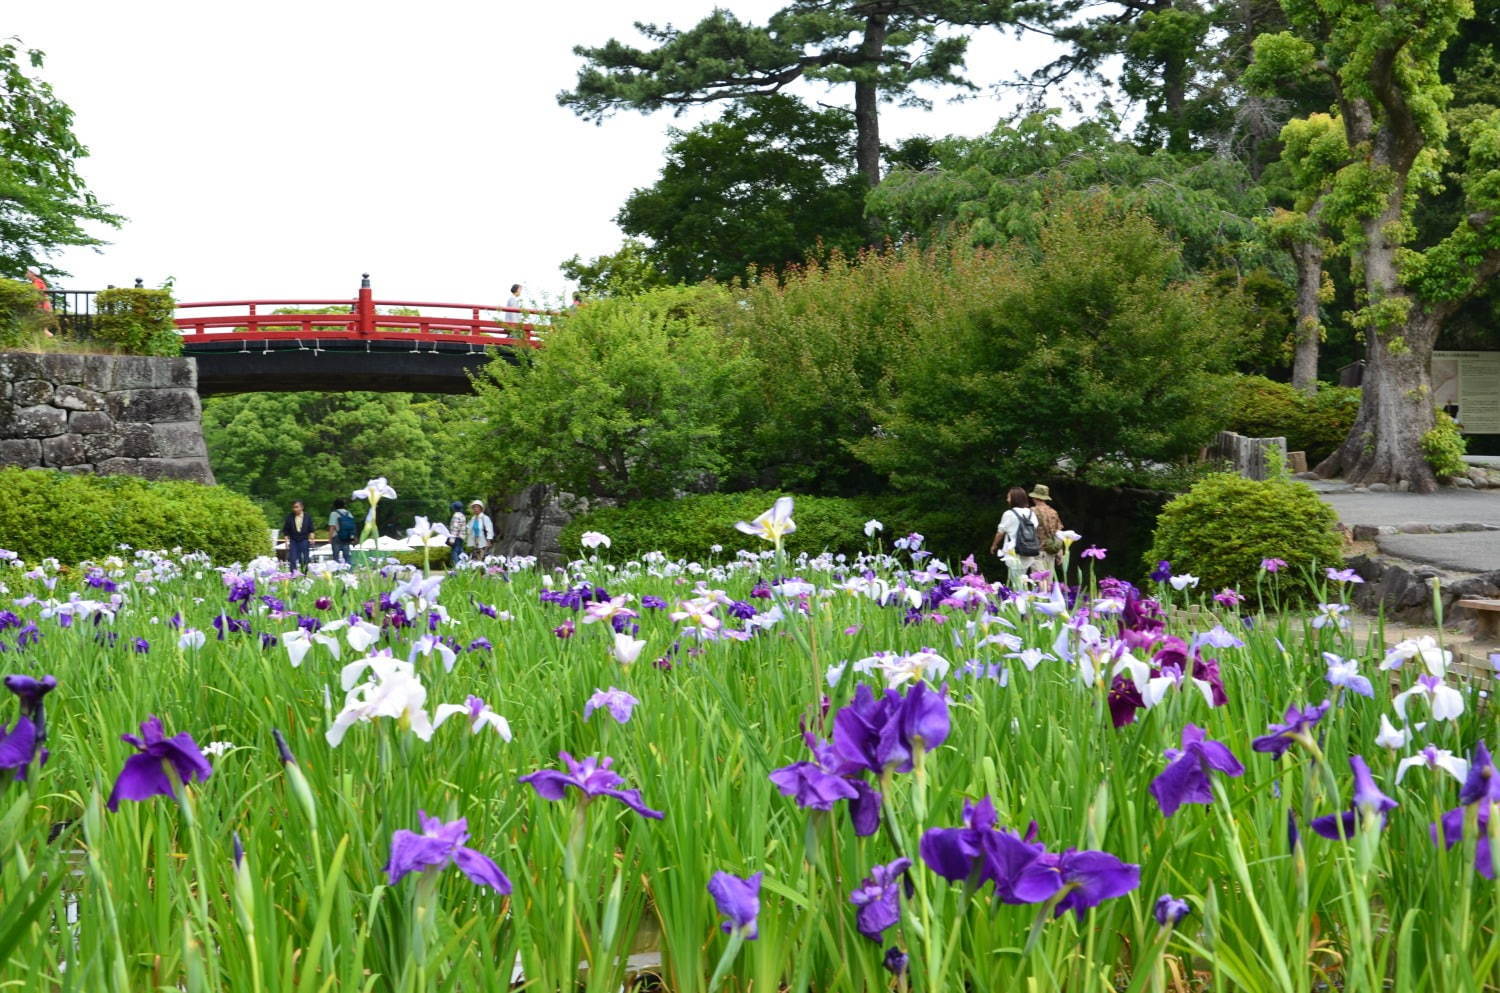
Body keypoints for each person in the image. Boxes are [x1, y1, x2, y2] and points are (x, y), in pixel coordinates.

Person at [988, 487, 1041, 584]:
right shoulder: (1031, 513)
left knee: (1015, 580)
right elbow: (1035, 528)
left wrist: (994, 545)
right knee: (1022, 579)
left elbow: (1000, 532)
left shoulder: (1009, 514)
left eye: (1008, 497)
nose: (1007, 499)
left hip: (1014, 550)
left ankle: (1017, 597)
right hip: (1028, 549)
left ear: (1014, 498)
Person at [1027, 484, 1064, 574]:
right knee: (1048, 582)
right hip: (1050, 551)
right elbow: (1058, 533)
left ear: (1034, 498)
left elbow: (1028, 532)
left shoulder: (1031, 511)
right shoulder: (1053, 512)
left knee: (1039, 581)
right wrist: (1060, 551)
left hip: (1037, 550)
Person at [282, 499, 317, 572]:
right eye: (293, 507)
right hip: (293, 540)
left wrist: (312, 539)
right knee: (293, 559)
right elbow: (286, 531)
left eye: (296, 507)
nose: (295, 509)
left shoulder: (307, 517)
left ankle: (304, 575)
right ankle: (293, 576)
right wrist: (286, 541)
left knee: (304, 559)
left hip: (304, 540)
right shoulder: (289, 517)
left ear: (302, 507)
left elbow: (311, 529)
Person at [327, 497, 356, 565]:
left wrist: (330, 538)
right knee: (347, 556)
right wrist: (353, 537)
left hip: (336, 537)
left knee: (336, 556)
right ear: (344, 505)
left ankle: (336, 572)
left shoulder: (334, 513)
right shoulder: (349, 513)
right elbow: (352, 526)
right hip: (347, 537)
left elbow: (332, 527)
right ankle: (349, 571)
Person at [447, 500, 467, 567]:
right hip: (461, 537)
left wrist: (452, 539)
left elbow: (455, 528)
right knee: (460, 552)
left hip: (456, 537)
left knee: (454, 552)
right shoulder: (462, 515)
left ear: (454, 508)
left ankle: (456, 567)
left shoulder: (456, 515)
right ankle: (463, 566)